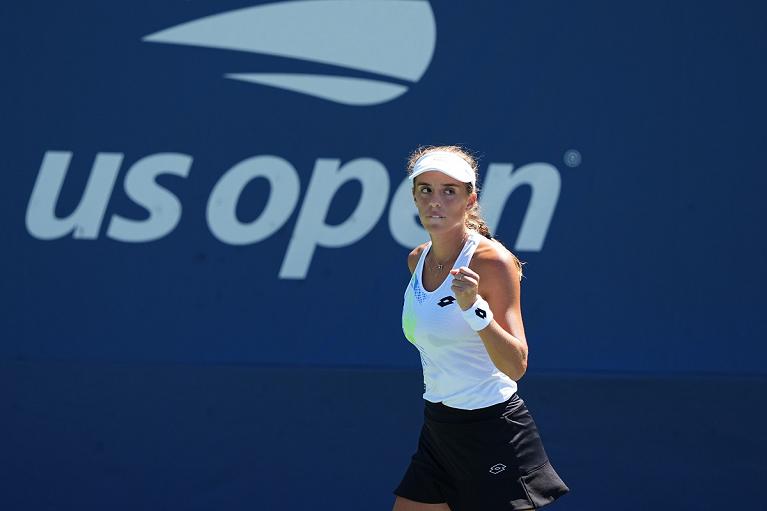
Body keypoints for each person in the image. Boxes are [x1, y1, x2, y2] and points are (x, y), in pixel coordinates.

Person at [393, 146, 569, 511]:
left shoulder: (493, 262)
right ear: (413, 196)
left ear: (470, 199)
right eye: (425, 190)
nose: (435, 201)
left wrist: (474, 309)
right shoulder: (417, 259)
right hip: (439, 426)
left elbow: (516, 365)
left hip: (492, 430)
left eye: (449, 191)